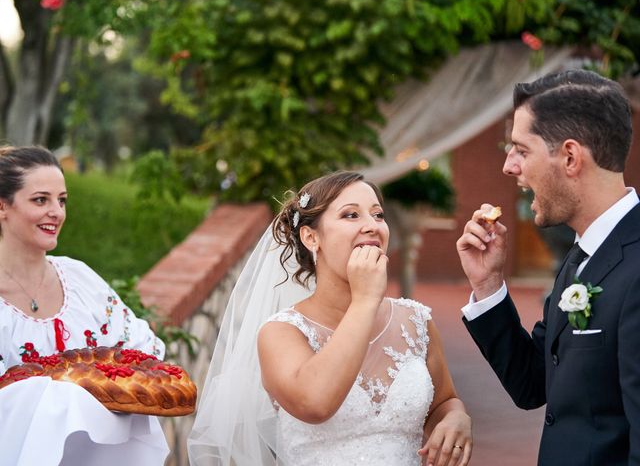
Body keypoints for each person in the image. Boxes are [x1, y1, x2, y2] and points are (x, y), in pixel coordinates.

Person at [188, 170, 472, 466]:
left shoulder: (416, 322)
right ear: (311, 237)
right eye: (351, 215)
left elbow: (444, 402)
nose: (372, 226)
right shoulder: (280, 333)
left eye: (378, 215)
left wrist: (457, 418)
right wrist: (364, 301)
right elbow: (315, 402)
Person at [456, 69, 640, 465]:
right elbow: (532, 385)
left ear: (570, 157)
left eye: (521, 150)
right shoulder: (581, 257)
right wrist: (488, 285)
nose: (509, 166)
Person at [0, 145, 168, 465]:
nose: (57, 212)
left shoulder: (79, 280)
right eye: (41, 200)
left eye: (61, 200)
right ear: (3, 206)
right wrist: (67, 394)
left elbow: (143, 350)